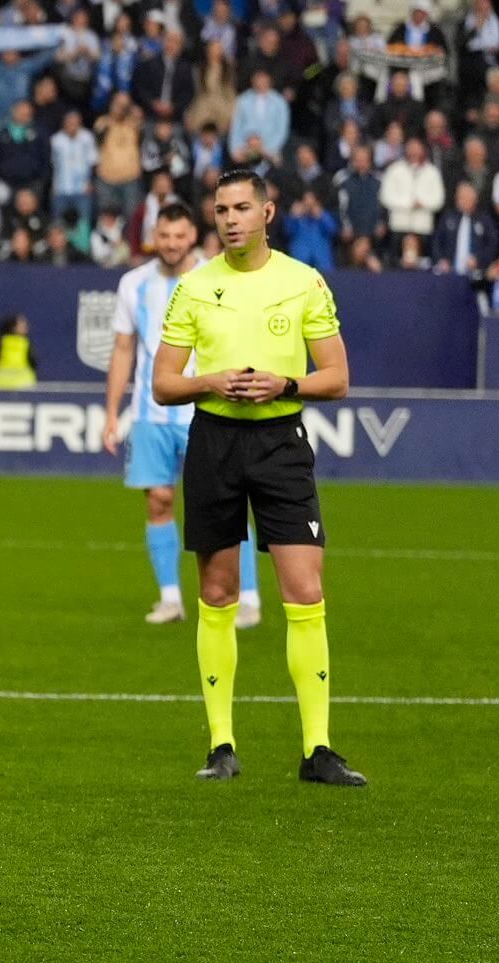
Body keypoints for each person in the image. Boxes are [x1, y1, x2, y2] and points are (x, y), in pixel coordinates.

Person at [152, 169, 365, 787]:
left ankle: (318, 750)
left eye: (242, 207)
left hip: (280, 442)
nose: (230, 219)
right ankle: (222, 745)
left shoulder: (303, 282)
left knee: (304, 590)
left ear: (268, 213)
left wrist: (284, 383)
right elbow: (164, 383)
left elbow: (337, 378)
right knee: (217, 594)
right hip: (214, 440)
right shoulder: (194, 287)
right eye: (221, 209)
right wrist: (208, 381)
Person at [103, 203, 262, 628]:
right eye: (164, 236)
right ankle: (170, 597)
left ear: (193, 235)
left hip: (209, 410)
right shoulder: (132, 284)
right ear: (155, 236)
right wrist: (111, 413)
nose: (171, 244)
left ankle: (247, 597)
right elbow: (123, 349)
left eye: (179, 236)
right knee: (158, 501)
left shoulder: (218, 278)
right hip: (150, 412)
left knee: (226, 503)